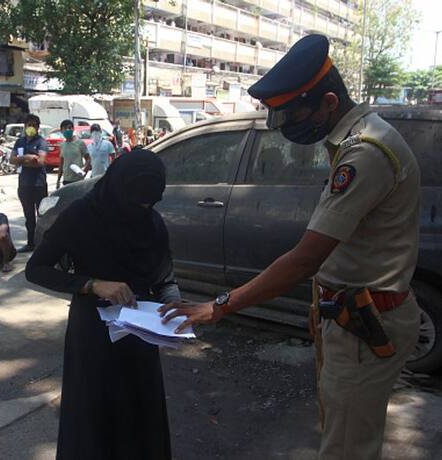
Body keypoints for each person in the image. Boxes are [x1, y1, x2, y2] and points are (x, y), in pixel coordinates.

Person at [159, 34, 421, 460]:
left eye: (292, 116)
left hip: (365, 323)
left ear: (329, 102)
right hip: (351, 317)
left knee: (347, 448)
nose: (287, 129)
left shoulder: (364, 153)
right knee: (343, 431)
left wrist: (221, 304)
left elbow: (305, 258)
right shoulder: (357, 138)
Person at [26, 149, 180, 459]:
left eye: (149, 203)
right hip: (94, 335)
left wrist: (174, 304)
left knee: (140, 415)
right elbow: (36, 270)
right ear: (119, 187)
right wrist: (92, 284)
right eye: (136, 201)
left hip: (140, 332)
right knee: (94, 416)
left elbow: (164, 276)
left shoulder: (151, 221)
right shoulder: (81, 216)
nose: (141, 209)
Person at [10, 114, 48, 253]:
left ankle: (43, 244)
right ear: (24, 126)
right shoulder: (19, 142)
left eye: (33, 125)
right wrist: (27, 157)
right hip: (24, 184)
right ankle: (31, 243)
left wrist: (22, 160)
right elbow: (11, 160)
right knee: (28, 216)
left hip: (38, 184)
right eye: (28, 125)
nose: (30, 128)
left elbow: (40, 162)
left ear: (38, 127)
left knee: (42, 215)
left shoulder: (41, 142)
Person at [56, 119, 90, 188]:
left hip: (78, 180)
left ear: (73, 129)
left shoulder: (80, 143)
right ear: (61, 131)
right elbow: (61, 163)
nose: (68, 130)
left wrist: (84, 171)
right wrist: (58, 180)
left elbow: (88, 159)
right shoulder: (62, 145)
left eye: (69, 128)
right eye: (65, 128)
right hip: (66, 180)